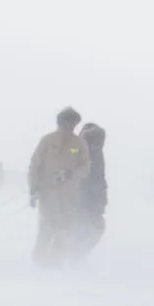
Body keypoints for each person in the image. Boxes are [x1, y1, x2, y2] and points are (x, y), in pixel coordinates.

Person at [28, 107, 94, 265]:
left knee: (64, 231)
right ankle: (39, 262)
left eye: (73, 123)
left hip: (69, 196)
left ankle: (56, 263)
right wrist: (33, 188)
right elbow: (34, 165)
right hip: (47, 193)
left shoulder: (79, 144)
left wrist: (71, 174)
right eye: (66, 123)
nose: (70, 127)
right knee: (47, 228)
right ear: (60, 122)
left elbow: (86, 168)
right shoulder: (47, 141)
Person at [75, 123, 109, 256]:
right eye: (93, 144)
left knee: (97, 227)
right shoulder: (75, 150)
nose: (96, 147)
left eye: (99, 144)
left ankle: (79, 255)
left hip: (94, 199)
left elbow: (100, 176)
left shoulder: (98, 153)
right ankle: (72, 257)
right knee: (78, 227)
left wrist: (103, 194)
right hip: (78, 199)